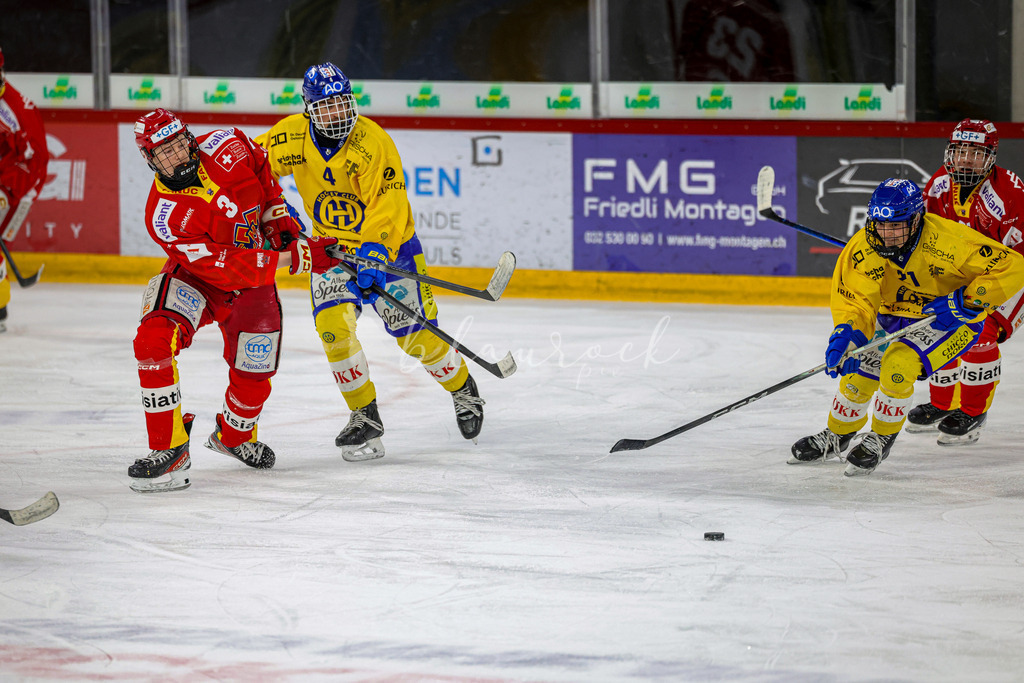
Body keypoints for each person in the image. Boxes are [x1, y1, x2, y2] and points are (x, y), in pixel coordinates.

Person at [254, 62, 484, 462]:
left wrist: (375, 252)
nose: (337, 115)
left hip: (389, 249)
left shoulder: (372, 141)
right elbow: (252, 169)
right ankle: (364, 414)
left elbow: (389, 203)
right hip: (329, 251)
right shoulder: (289, 135)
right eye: (326, 108)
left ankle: (463, 389)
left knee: (416, 337)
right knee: (332, 329)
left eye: (342, 104)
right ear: (309, 110)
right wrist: (274, 205)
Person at [129, 108, 339, 493]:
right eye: (165, 151)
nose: (177, 155)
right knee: (152, 341)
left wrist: (282, 229)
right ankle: (169, 449)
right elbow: (227, 266)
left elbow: (264, 175)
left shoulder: (230, 143)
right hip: (199, 281)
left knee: (255, 376)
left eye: (178, 144)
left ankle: (234, 437)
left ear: (188, 137)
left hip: (255, 285)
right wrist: (296, 257)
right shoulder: (163, 215)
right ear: (150, 159)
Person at [790, 178, 1024, 476]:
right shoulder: (862, 248)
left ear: (916, 220)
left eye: (896, 225)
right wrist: (847, 335)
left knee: (897, 365)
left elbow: (1013, 266)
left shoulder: (950, 240)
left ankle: (881, 437)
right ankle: (838, 433)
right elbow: (857, 302)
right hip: (893, 317)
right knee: (859, 370)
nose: (886, 234)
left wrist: (970, 300)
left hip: (951, 321)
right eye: (880, 225)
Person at [904, 119, 1024, 444]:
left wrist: (976, 297)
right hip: (961, 272)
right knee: (936, 325)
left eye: (975, 152)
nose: (966, 159)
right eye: (960, 150)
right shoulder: (939, 184)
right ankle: (943, 404)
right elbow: (922, 233)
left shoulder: (1009, 194)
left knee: (978, 332)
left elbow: (1018, 262)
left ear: (991, 156)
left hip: (1011, 273)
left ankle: (973, 413)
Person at [0, 46, 49, 332]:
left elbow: (36, 162)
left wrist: (6, 189)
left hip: (22, 180)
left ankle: (0, 309)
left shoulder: (17, 109)